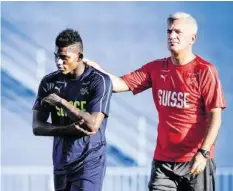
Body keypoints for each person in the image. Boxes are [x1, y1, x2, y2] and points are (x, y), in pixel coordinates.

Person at [85, 12, 226, 191]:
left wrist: (203, 153)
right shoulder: (156, 68)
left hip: (195, 161)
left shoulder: (204, 71)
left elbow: (216, 117)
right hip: (163, 163)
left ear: (192, 38)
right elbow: (119, 84)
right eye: (169, 32)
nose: (172, 36)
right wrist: (94, 70)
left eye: (178, 32)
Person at [32, 29, 112, 191]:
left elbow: (92, 125)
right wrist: (66, 129)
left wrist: (61, 102)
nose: (58, 62)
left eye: (64, 58)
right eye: (56, 56)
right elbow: (36, 126)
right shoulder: (49, 82)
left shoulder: (99, 81)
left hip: (89, 163)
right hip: (61, 161)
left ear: (79, 57)